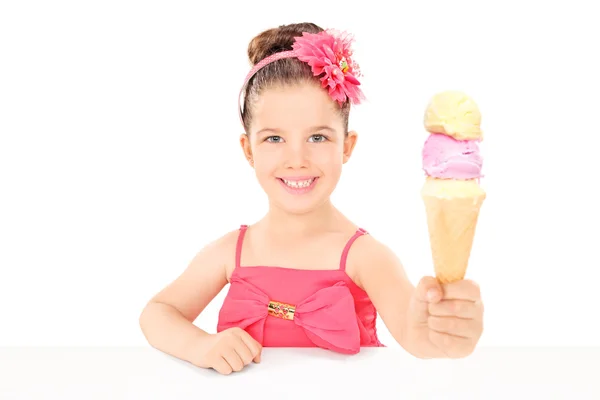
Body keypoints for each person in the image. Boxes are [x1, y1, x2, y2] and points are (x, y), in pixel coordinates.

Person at [139, 22, 484, 375]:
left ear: (347, 146)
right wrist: (200, 345)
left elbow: (418, 337)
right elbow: (157, 313)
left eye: (317, 138)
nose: (297, 159)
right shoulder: (230, 252)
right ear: (249, 150)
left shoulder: (366, 258)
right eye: (274, 139)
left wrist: (447, 330)